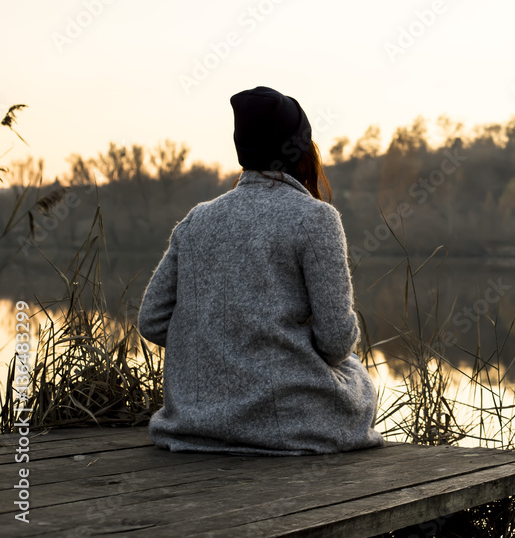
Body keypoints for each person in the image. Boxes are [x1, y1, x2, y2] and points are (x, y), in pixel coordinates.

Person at [137, 86, 384, 455]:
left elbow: (152, 321)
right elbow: (335, 342)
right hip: (288, 423)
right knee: (357, 377)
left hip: (194, 423)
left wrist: (215, 353)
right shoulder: (316, 218)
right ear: (302, 150)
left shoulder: (196, 219)